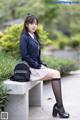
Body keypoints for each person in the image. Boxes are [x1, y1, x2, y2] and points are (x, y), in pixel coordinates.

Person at [20, 14, 70, 118]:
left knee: (55, 73)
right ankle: (59, 107)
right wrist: (37, 65)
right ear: (26, 24)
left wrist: (41, 63)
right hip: (31, 69)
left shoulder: (34, 36)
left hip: (36, 67)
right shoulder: (24, 37)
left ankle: (59, 107)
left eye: (36, 23)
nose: (34, 26)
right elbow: (24, 56)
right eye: (31, 23)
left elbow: (37, 55)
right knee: (56, 74)